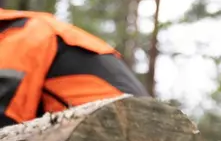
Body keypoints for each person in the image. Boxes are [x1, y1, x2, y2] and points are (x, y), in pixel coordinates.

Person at [0, 10, 147, 127]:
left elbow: (7, 117)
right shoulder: (38, 28)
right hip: (142, 131)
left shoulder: (24, 35)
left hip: (115, 135)